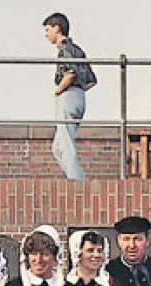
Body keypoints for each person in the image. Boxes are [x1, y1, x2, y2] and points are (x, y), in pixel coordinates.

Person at [43, 12, 96, 181]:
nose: (46, 34)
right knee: (58, 147)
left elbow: (71, 72)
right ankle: (75, 178)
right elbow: (91, 81)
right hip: (79, 97)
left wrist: (59, 90)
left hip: (69, 95)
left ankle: (78, 183)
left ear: (57, 28)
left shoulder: (64, 49)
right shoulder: (78, 50)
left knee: (65, 145)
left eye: (48, 29)